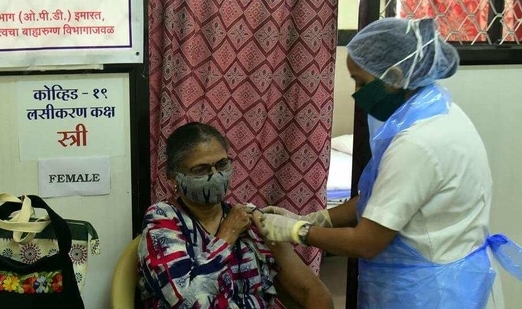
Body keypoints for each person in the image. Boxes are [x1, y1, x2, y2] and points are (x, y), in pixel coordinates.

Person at [259, 17, 522, 309]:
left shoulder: (418, 142)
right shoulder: (439, 112)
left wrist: (296, 232)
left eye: (361, 81)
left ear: (395, 77)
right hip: (446, 277)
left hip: (430, 294)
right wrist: (316, 219)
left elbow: (367, 242)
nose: (356, 92)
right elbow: (377, 201)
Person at [137, 122, 333, 309]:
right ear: (173, 177)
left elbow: (313, 292)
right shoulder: (163, 220)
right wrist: (227, 236)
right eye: (201, 169)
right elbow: (189, 303)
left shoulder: (248, 219)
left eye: (222, 164)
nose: (215, 175)